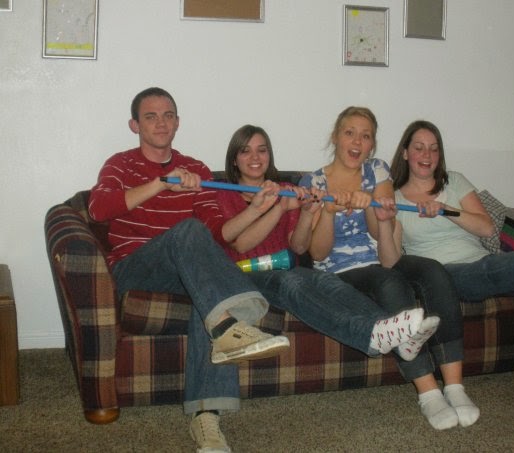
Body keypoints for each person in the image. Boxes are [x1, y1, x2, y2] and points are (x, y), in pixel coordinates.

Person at [88, 87, 293, 453]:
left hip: (183, 271)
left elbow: (219, 234)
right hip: (135, 268)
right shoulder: (121, 164)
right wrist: (161, 183)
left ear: (178, 122)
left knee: (209, 302)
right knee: (188, 232)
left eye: (168, 115)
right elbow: (98, 209)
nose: (161, 123)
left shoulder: (196, 170)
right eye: (151, 116)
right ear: (135, 125)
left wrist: (257, 208)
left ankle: (206, 420)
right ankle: (232, 324)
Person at [212, 124, 440, 448]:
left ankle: (393, 333)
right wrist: (276, 207)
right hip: (245, 275)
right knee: (292, 280)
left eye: (262, 149)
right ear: (234, 159)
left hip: (286, 269)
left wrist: (308, 211)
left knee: (322, 280)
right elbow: (240, 243)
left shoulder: (287, 188)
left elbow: (299, 246)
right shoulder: (223, 193)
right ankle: (379, 334)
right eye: (245, 150)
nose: (255, 157)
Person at [300, 107, 480, 430]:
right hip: (339, 270)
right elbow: (316, 252)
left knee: (434, 272)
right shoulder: (315, 181)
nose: (357, 141)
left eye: (366, 136)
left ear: (372, 144)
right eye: (350, 133)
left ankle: (455, 387)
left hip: (380, 258)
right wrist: (328, 210)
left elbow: (382, 237)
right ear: (336, 137)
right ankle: (428, 392)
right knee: (389, 284)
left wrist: (371, 204)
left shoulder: (378, 171)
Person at [389, 119, 514, 410]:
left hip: (483, 261)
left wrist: (447, 210)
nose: (427, 155)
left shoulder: (455, 181)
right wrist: (385, 222)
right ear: (405, 153)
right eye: (419, 147)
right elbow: (394, 256)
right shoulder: (394, 199)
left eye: (434, 148)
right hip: (443, 275)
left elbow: (486, 228)